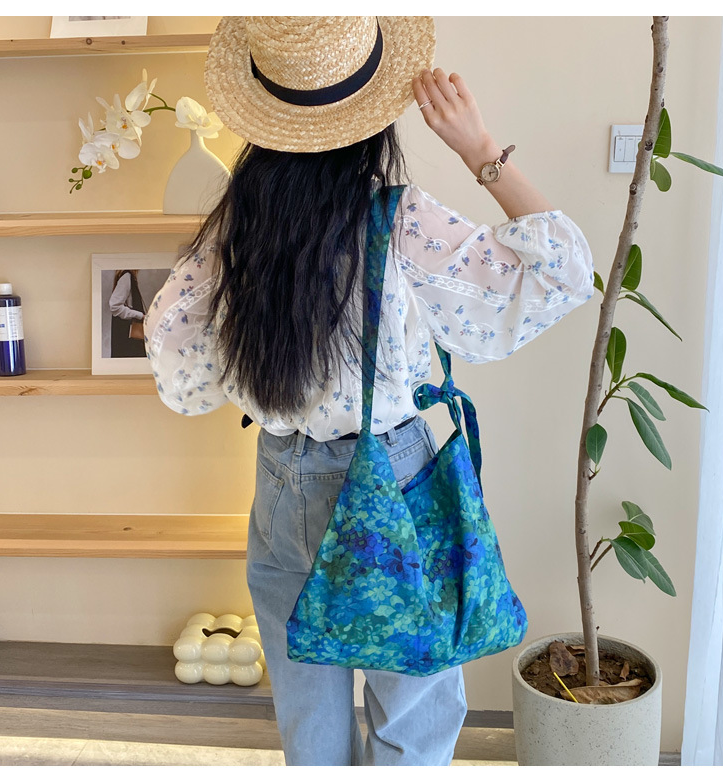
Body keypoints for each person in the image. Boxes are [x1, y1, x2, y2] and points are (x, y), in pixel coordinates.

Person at [143, 16, 595, 766]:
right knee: (414, 707)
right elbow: (563, 271)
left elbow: (175, 361)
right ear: (369, 118)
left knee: (309, 715)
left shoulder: (239, 226)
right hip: (391, 472)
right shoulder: (398, 219)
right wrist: (482, 151)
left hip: (282, 479)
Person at [109, 269, 146, 358]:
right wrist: (140, 316)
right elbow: (115, 306)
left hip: (126, 336)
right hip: (127, 337)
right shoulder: (126, 276)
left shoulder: (127, 277)